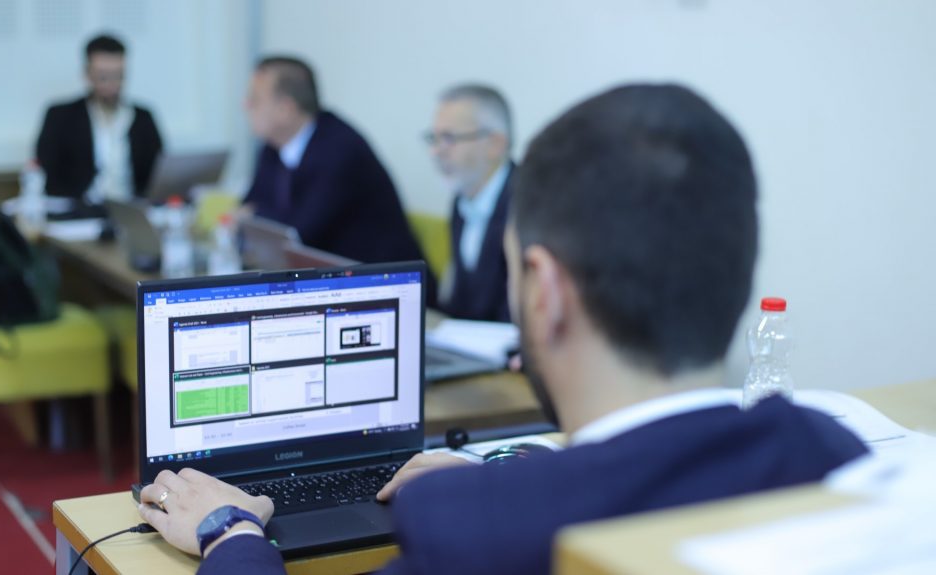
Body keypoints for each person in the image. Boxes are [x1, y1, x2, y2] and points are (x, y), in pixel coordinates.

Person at [138, 84, 868, 574]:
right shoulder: (834, 455)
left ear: (543, 290)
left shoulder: (477, 530)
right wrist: (511, 465)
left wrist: (231, 533)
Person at [242, 56, 424, 265]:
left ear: (286, 109)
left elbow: (298, 235)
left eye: (254, 99)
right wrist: (253, 216)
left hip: (384, 276)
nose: (245, 105)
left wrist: (254, 215)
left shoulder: (341, 150)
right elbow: (250, 206)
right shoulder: (273, 147)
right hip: (323, 274)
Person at [36, 34, 163, 202]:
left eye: (118, 76)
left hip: (130, 208)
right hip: (79, 209)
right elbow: (49, 174)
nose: (111, 84)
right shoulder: (61, 117)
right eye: (103, 77)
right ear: (88, 74)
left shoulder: (142, 118)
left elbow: (158, 173)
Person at [427, 84, 513, 322]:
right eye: (434, 138)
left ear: (495, 144)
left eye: (449, 138)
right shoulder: (461, 200)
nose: (436, 151)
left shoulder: (527, 206)